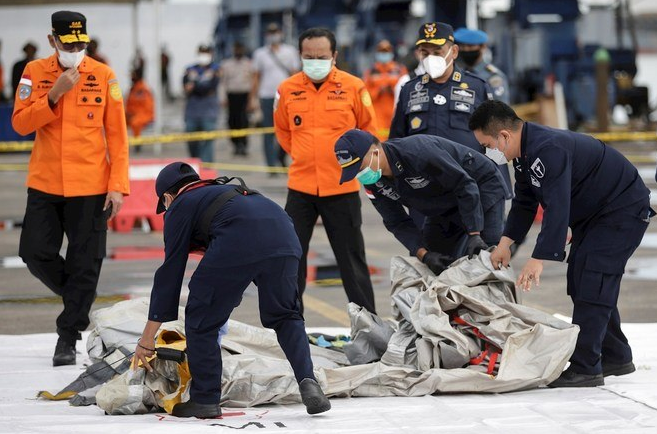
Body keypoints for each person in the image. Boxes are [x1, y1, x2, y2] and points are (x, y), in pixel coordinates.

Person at [469, 100, 654, 387]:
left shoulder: (548, 148)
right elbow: (525, 201)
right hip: (595, 215)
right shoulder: (524, 153)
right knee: (583, 278)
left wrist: (538, 258)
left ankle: (586, 367)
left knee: (593, 276)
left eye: (487, 144)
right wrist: (505, 243)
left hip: (621, 209)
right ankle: (616, 355)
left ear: (504, 136)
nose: (488, 152)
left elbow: (557, 206)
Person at [133, 162, 331, 418]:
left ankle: (205, 399)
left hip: (240, 239)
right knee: (286, 315)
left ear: (168, 197)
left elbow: (170, 273)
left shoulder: (181, 204)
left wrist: (147, 340)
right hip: (284, 235)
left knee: (201, 318)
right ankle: (308, 381)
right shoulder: (229, 192)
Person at [12, 11, 129, 366]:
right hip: (46, 183)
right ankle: (79, 298)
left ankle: (68, 335)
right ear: (52, 41)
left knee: (85, 262)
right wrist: (53, 97)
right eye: (68, 44)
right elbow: (19, 123)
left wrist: (118, 186)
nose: (76, 49)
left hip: (91, 185)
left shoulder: (104, 75)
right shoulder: (35, 72)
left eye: (81, 43)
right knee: (34, 253)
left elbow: (118, 138)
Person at [274, 27, 378, 314]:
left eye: (321, 56)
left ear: (334, 55)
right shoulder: (287, 89)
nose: (315, 61)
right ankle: (290, 326)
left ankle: (368, 327)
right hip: (301, 189)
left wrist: (361, 166)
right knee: (291, 259)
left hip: (341, 188)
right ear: (300, 55)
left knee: (352, 261)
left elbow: (369, 131)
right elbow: (283, 131)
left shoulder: (354, 87)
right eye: (309, 57)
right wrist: (304, 155)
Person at [335, 129, 506, 273]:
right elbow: (396, 222)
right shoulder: (373, 182)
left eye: (360, 168)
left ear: (375, 152)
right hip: (442, 203)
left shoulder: (418, 152)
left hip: (480, 186)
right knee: (433, 264)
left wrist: (474, 233)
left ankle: (497, 309)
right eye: (353, 172)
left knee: (486, 260)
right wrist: (424, 254)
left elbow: (464, 185)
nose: (360, 175)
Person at [389, 22, 491, 154]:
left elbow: (493, 141)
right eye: (425, 54)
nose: (431, 58)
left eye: (437, 53)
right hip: (423, 172)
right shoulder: (409, 90)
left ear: (454, 52)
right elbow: (396, 142)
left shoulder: (477, 87)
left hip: (465, 172)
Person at [252, 23, 300, 172]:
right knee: (268, 131)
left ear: (281, 33)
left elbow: (295, 74)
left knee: (288, 128)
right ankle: (271, 165)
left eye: (276, 31)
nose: (273, 35)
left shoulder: (290, 51)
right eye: (270, 32)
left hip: (286, 96)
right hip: (266, 96)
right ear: (266, 35)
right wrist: (252, 98)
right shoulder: (260, 54)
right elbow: (256, 77)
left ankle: (281, 156)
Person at [362, 39, 407, 140]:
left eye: (386, 51)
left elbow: (406, 89)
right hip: (378, 116)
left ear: (391, 52)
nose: (384, 54)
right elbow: (365, 94)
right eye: (381, 51)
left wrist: (392, 90)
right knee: (379, 144)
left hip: (395, 113)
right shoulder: (371, 72)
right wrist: (379, 91)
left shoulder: (400, 70)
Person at [183, 44, 220, 163]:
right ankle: (195, 163)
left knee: (208, 141)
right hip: (192, 111)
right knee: (191, 138)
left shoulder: (215, 69)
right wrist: (199, 85)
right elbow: (185, 86)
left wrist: (194, 85)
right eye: (201, 53)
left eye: (206, 53)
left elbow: (210, 87)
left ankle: (206, 167)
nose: (204, 56)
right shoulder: (190, 69)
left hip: (209, 111)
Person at [454, 28, 510, 104]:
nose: (466, 50)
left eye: (470, 46)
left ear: (483, 47)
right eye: (462, 46)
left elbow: (501, 109)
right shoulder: (458, 73)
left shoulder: (493, 77)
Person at [220, 42, 253, 156]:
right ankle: (235, 144)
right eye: (236, 49)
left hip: (244, 95)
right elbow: (223, 82)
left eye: (240, 49)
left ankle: (243, 144)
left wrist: (252, 100)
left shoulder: (248, 63)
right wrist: (223, 98)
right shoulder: (226, 64)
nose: (238, 51)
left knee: (244, 121)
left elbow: (252, 82)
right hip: (232, 96)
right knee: (232, 121)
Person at [125, 67, 154, 147]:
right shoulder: (133, 89)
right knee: (116, 120)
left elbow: (147, 107)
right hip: (131, 113)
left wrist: (133, 113)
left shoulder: (143, 89)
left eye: (133, 75)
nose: (131, 78)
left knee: (135, 122)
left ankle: (137, 144)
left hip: (143, 114)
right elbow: (128, 104)